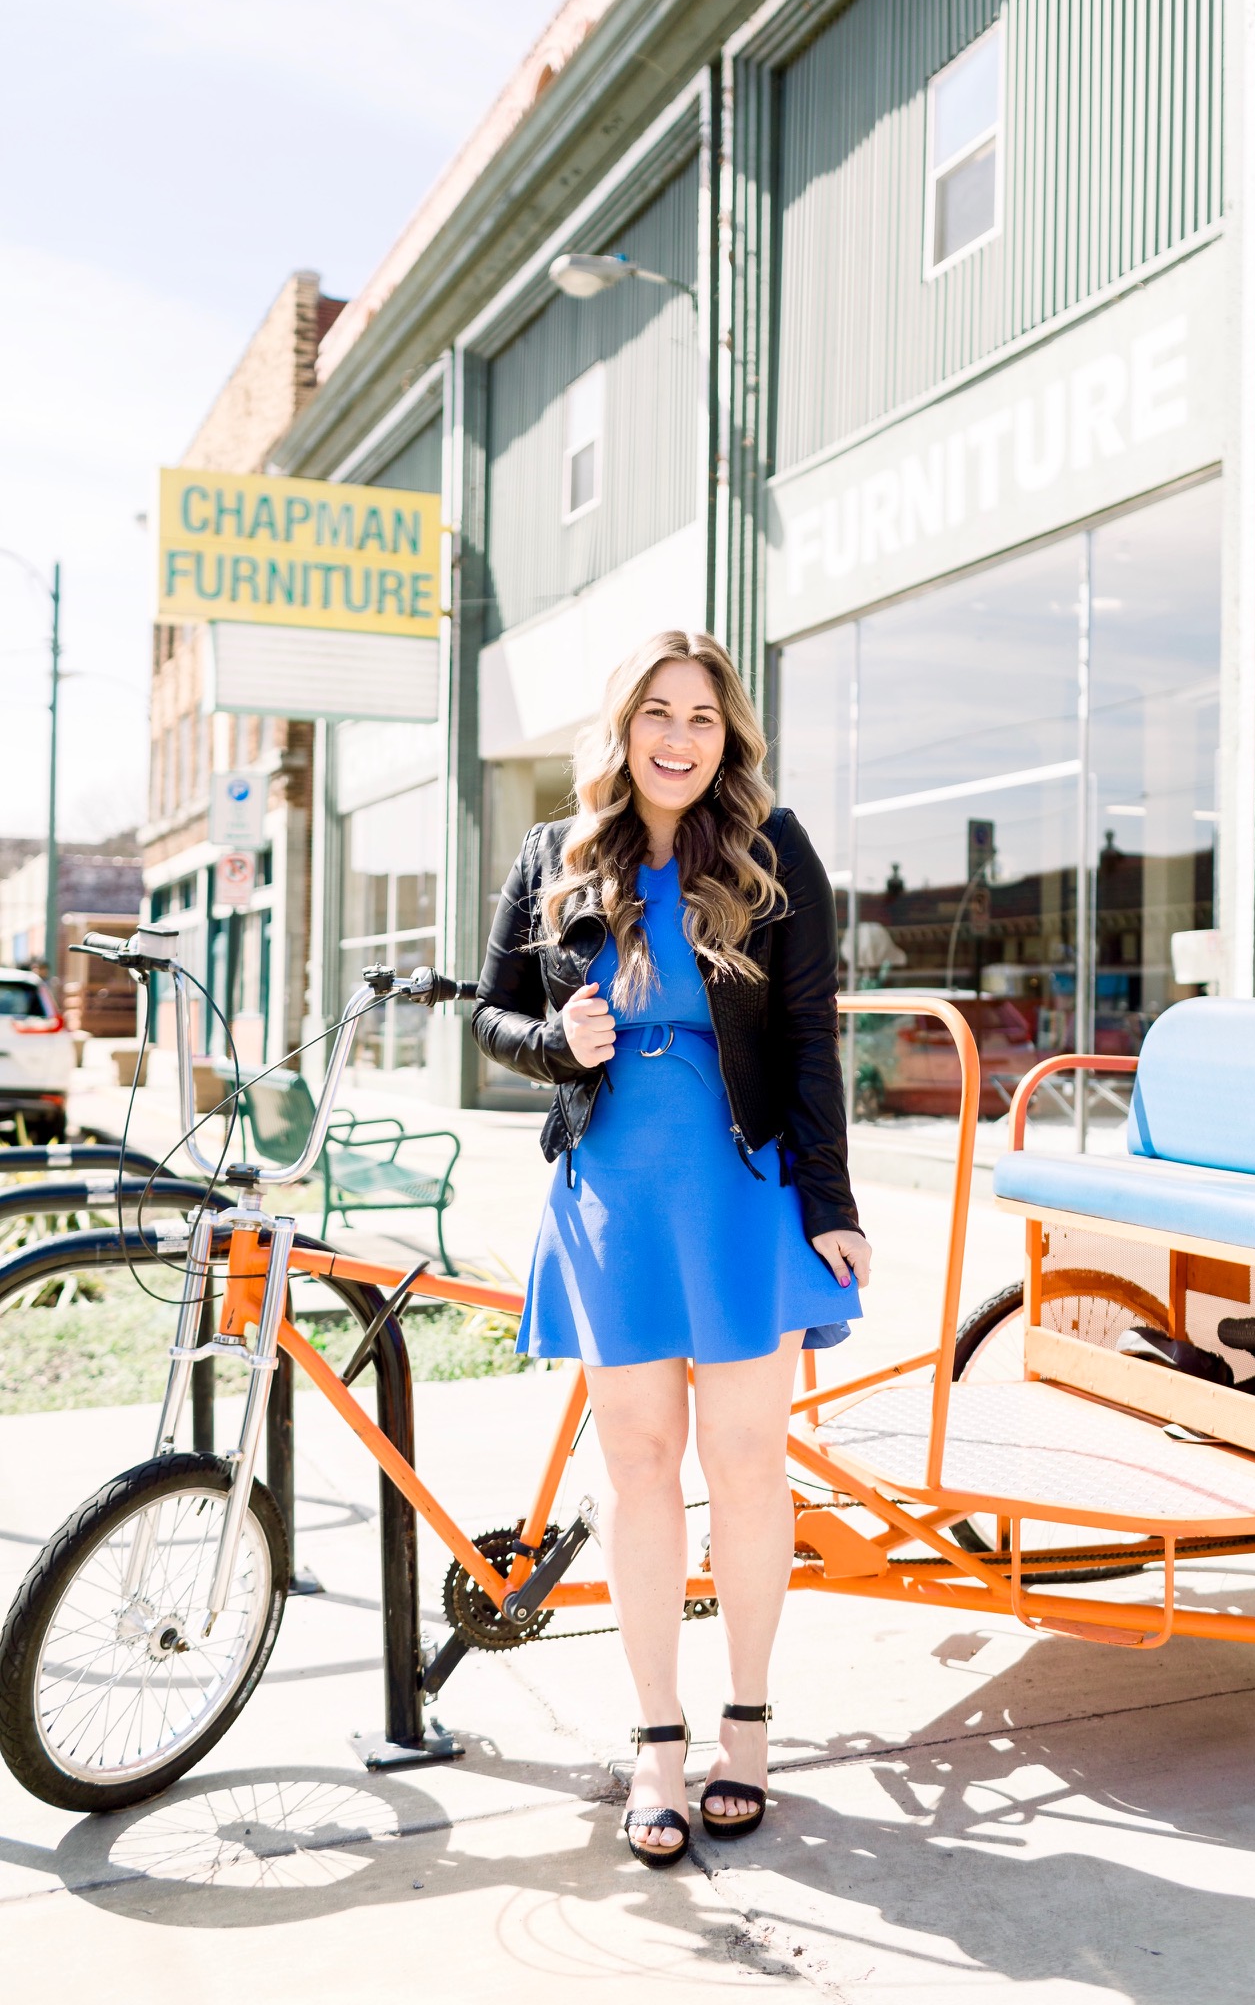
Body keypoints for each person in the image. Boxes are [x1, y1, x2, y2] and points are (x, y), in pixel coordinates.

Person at [473, 629, 871, 1869]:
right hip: (614, 1198)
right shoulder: (554, 853)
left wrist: (832, 1200)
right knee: (636, 1468)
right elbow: (492, 1013)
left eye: (705, 717)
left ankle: (746, 1724)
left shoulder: (772, 848)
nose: (682, 738)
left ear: (729, 737)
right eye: (660, 712)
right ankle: (657, 1739)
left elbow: (809, 1032)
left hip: (743, 1189)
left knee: (745, 1465)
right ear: (623, 726)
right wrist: (556, 1043)